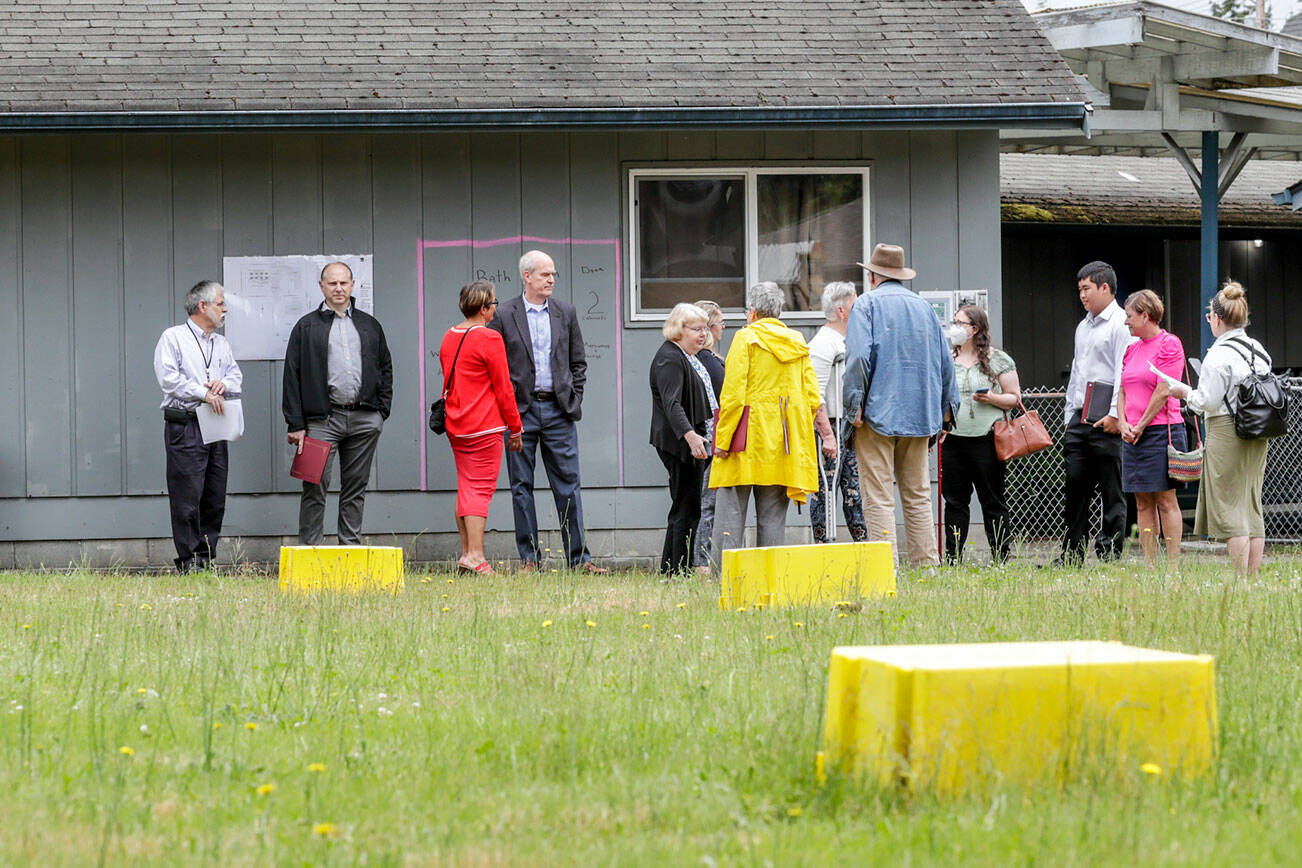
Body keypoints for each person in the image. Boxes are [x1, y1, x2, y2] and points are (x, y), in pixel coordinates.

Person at [487, 249, 606, 574]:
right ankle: (529, 560)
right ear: (527, 276)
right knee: (521, 486)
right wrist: (505, 408)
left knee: (568, 484)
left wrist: (574, 397)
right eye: (544, 274)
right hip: (519, 413)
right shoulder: (504, 314)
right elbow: (494, 366)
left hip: (558, 410)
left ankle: (579, 560)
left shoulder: (565, 312)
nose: (551, 279)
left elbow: (578, 361)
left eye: (553, 274)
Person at [843, 244, 958, 567]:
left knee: (878, 495)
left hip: (876, 413)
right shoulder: (924, 308)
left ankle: (885, 569)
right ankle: (927, 566)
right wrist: (947, 410)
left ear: (873, 275)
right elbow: (945, 362)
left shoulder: (866, 305)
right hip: (921, 413)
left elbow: (858, 359)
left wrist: (855, 406)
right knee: (918, 494)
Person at [710, 282, 832, 564]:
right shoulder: (797, 342)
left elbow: (733, 396)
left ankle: (725, 578)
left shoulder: (746, 338)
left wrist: (722, 440)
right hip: (783, 444)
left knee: (730, 517)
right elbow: (813, 396)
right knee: (773, 520)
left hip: (745, 441)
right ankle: (769, 578)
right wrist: (825, 435)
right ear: (778, 311)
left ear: (752, 312)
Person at [283, 261, 393, 545]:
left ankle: (350, 546)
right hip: (320, 422)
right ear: (322, 287)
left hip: (364, 419)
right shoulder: (306, 326)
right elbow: (292, 375)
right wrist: (296, 423)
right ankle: (310, 548)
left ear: (353, 285)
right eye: (332, 283)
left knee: (355, 488)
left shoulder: (369, 325)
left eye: (344, 282)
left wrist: (381, 412)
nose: (339, 288)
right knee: (314, 486)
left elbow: (385, 367)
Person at [1166, 282, 1270, 576]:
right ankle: (1252, 576)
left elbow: (1207, 401)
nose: (1209, 320)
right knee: (1251, 501)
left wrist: (1184, 392)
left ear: (1218, 318)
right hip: (1259, 429)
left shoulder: (1218, 354)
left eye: (1209, 316)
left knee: (1229, 504)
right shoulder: (1258, 350)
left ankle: (1241, 579)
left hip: (1226, 429)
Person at [153, 280, 242, 573]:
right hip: (187, 423)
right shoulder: (173, 337)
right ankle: (189, 562)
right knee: (187, 496)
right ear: (202, 306)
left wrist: (223, 383)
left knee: (214, 495)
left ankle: (207, 560)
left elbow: (235, 376)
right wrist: (204, 392)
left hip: (216, 423)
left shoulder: (221, 343)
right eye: (220, 303)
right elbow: (168, 379)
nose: (225, 309)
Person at [439, 280, 523, 575]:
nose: (496, 308)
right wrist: (515, 427)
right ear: (484, 308)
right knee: (480, 489)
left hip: (457, 424)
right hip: (484, 425)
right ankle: (475, 556)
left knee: (466, 486)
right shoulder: (489, 339)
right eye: (494, 303)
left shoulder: (450, 336)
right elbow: (504, 388)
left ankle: (466, 554)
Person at [1056, 260, 1134, 566]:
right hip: (1079, 416)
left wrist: (1116, 414)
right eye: (1079, 290)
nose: (1082, 295)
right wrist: (1068, 415)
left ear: (1105, 287)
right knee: (1075, 486)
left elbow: (1122, 371)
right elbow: (1077, 371)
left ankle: (1110, 553)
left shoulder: (1120, 324)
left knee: (1112, 489)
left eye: (1086, 288)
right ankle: (1072, 555)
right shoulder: (1082, 326)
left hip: (1107, 418)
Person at [939, 304, 1020, 564]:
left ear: (974, 329)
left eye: (959, 323)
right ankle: (953, 558)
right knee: (955, 503)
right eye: (953, 322)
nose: (954, 328)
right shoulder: (947, 358)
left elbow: (1014, 398)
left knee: (993, 501)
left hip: (987, 440)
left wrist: (991, 397)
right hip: (953, 439)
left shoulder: (998, 359)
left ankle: (1001, 558)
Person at [1116, 289, 1187, 569]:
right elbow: (1122, 389)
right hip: (1132, 435)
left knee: (1166, 500)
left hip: (1159, 432)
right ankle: (1150, 566)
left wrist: (1141, 425)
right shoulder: (1131, 348)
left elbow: (1163, 390)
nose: (1126, 322)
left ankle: (1172, 567)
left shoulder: (1170, 344)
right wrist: (1122, 423)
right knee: (1142, 502)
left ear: (1146, 316)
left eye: (1130, 316)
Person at [649, 303, 715, 575]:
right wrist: (691, 437)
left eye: (705, 328)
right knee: (686, 507)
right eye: (696, 329)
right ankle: (677, 571)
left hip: (691, 441)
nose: (703, 334)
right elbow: (671, 403)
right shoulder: (670, 357)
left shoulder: (687, 356)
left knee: (687, 506)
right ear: (679, 329)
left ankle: (672, 569)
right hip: (680, 444)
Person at [806, 281, 868, 544]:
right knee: (824, 491)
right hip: (830, 426)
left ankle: (863, 545)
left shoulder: (847, 340)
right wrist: (827, 435)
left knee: (854, 491)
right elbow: (814, 394)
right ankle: (824, 545)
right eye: (855, 304)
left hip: (849, 426)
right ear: (842, 311)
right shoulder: (823, 344)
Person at [692, 299, 727, 575]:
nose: (723, 327)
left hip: (709, 439)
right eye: (720, 322)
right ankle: (703, 563)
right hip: (712, 439)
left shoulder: (703, 360)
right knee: (709, 504)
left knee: (707, 503)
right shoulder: (709, 362)